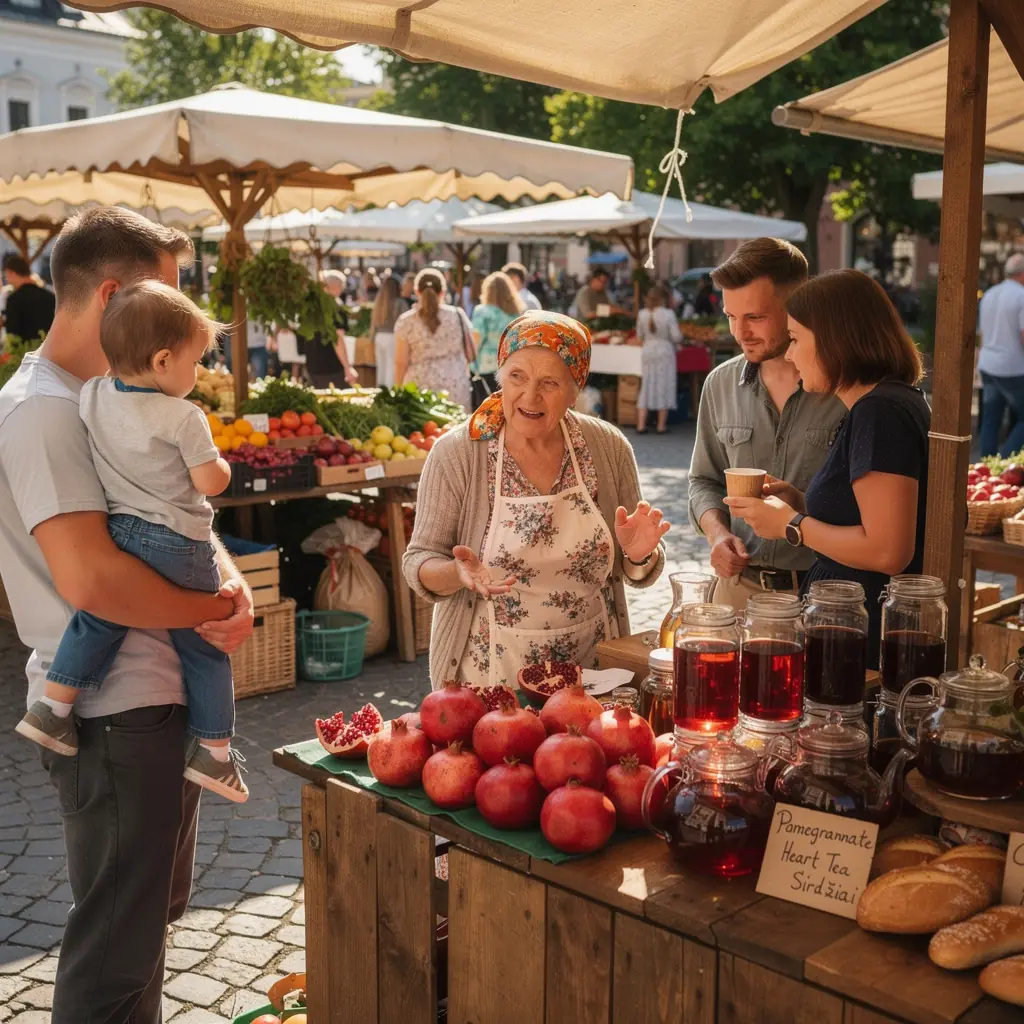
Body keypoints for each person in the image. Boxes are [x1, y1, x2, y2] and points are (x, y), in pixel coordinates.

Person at [0, 206, 253, 1022]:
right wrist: (213, 602)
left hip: (151, 698)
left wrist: (228, 582)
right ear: (112, 295)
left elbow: (164, 519)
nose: (171, 332)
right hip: (112, 712)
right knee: (114, 950)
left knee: (145, 928)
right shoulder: (41, 410)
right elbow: (96, 583)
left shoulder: (105, 396)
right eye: (166, 305)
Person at [21, 280, 249, 801]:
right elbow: (208, 483)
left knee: (100, 618)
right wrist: (222, 464)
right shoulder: (184, 416)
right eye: (195, 363)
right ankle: (213, 754)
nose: (199, 374)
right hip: (178, 543)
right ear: (164, 360)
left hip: (122, 532)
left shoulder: (94, 393)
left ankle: (53, 706)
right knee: (205, 644)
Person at [403, 311, 670, 688]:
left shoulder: (607, 447)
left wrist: (639, 555)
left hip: (592, 670)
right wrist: (456, 574)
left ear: (576, 390)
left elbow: (636, 571)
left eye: (550, 383)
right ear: (499, 376)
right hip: (488, 679)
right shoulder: (458, 453)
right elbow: (418, 559)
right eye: (517, 377)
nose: (530, 396)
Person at [724, 270, 930, 662]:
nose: (789, 353)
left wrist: (790, 525)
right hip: (852, 632)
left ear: (836, 341)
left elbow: (889, 551)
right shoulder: (885, 404)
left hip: (859, 646)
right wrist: (800, 503)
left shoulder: (879, 411)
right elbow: (872, 517)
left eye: (797, 339)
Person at [688, 238, 846, 611]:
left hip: (823, 596)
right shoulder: (719, 384)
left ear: (798, 304)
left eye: (754, 317)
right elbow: (703, 481)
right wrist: (718, 534)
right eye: (730, 316)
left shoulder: (845, 389)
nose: (739, 332)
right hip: (736, 592)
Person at [394, 267, 474, 410]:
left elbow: (401, 362)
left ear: (417, 291)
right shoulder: (458, 315)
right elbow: (471, 353)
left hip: (418, 388)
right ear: (443, 291)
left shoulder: (406, 321)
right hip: (455, 385)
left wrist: (397, 391)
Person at [977, 253, 1024, 457]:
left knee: (990, 419)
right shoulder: (1021, 296)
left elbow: (982, 333)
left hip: (988, 364)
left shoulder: (990, 294)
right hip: (1012, 366)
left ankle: (986, 466)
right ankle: (1005, 459)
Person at [636, 283, 682, 435]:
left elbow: (639, 336)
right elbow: (676, 336)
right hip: (664, 351)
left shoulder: (642, 314)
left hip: (648, 350)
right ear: (663, 298)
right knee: (664, 385)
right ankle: (661, 426)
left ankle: (641, 425)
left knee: (646, 385)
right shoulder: (669, 314)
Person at [471, 270, 526, 393]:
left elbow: (476, 339)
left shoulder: (482, 311)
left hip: (485, 366)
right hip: (509, 365)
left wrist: (469, 363)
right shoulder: (516, 313)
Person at [305, 269, 360, 389]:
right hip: (332, 366)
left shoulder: (311, 307)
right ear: (338, 286)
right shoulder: (336, 308)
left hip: (312, 364)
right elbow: (338, 339)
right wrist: (347, 367)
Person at [1, 252, 56, 343]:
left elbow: (12, 335)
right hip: (47, 350)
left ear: (12, 273)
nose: (6, 278)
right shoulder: (50, 296)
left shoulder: (14, 299)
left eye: (6, 274)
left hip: (24, 352)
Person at [371, 275, 405, 388]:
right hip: (393, 337)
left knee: (381, 368)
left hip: (379, 337)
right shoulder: (400, 303)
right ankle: (389, 395)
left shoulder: (379, 303)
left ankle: (380, 393)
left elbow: (373, 324)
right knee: (391, 368)